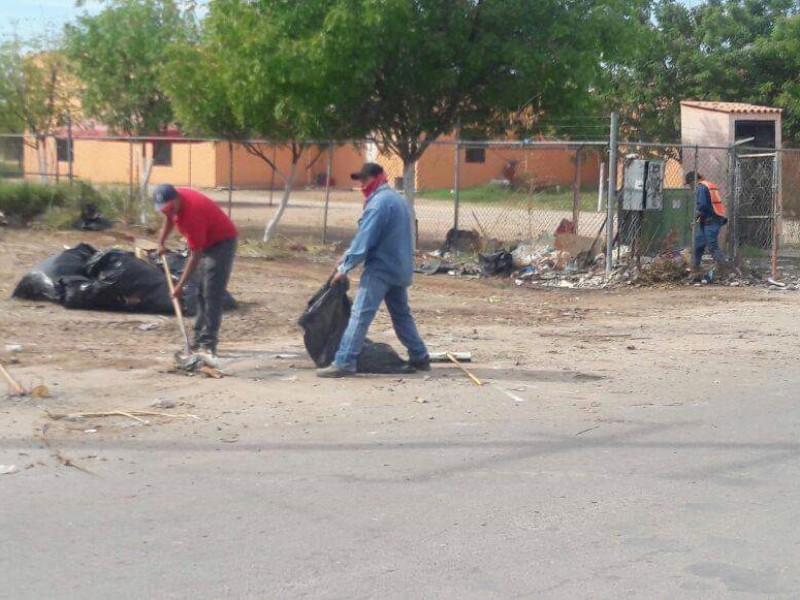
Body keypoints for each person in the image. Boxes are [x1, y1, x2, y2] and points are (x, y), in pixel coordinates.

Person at [317, 163, 430, 378]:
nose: (362, 185)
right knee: (401, 315)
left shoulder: (379, 203)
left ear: (379, 177)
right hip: (400, 267)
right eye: (360, 180)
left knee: (360, 314)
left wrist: (345, 267)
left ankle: (344, 361)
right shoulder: (397, 200)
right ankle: (420, 356)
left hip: (381, 269)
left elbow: (365, 238)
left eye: (365, 180)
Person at [154, 184, 238, 357]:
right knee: (201, 291)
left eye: (169, 208)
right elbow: (169, 219)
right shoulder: (174, 205)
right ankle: (199, 339)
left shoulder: (192, 215)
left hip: (221, 243)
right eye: (163, 210)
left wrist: (179, 287)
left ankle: (208, 344)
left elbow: (195, 256)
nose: (167, 212)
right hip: (206, 241)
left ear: (176, 199)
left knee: (212, 292)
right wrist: (161, 242)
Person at [686, 171, 728, 271]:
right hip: (709, 220)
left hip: (711, 221)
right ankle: (695, 268)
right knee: (698, 244)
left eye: (689, 184)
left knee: (712, 245)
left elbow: (702, 207)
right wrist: (697, 221)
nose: (690, 187)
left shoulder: (701, 188)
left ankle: (725, 269)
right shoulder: (708, 185)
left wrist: (694, 221)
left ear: (693, 181)